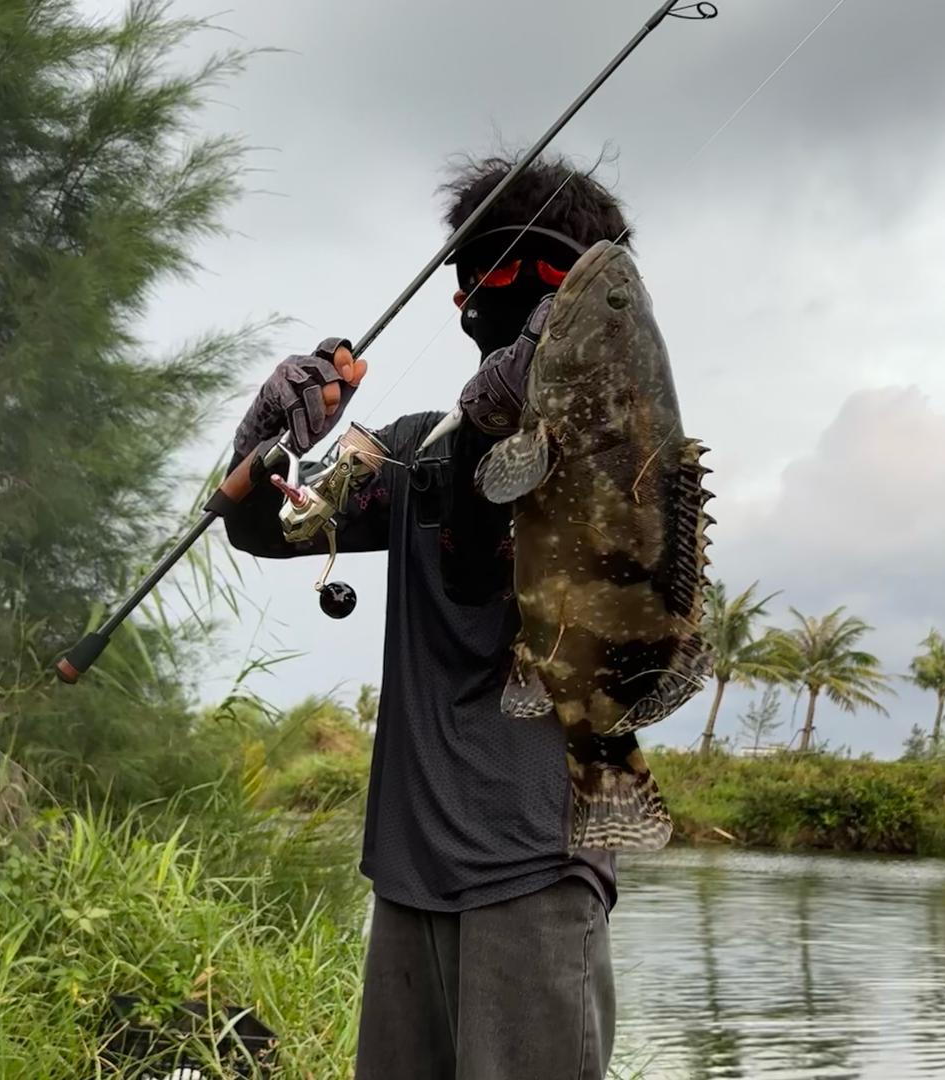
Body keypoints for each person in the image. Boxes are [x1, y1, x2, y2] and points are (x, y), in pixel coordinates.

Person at [223, 154, 636, 1080]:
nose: (499, 301)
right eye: (486, 277)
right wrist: (266, 438)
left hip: (537, 869)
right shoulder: (410, 450)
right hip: (407, 873)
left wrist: (514, 425)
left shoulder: (614, 461)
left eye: (544, 286)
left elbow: (492, 565)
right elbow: (264, 529)